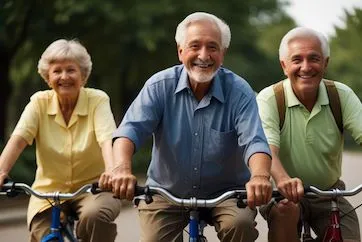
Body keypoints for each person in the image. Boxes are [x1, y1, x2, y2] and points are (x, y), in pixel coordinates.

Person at [111, 12, 272, 242]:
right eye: (195, 46)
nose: (203, 55)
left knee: (240, 225)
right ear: (180, 51)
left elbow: (254, 141)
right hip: (166, 193)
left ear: (222, 54)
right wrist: (121, 170)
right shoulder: (159, 86)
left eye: (212, 47)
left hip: (226, 194)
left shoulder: (239, 90)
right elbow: (129, 131)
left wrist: (259, 176)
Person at [0, 39, 122, 241]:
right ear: (48, 77)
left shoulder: (97, 100)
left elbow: (106, 139)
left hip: (95, 188)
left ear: (83, 75)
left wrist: (112, 171)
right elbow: (18, 139)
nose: (64, 77)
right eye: (57, 71)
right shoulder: (39, 103)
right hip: (48, 192)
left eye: (71, 70)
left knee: (96, 218)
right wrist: (2, 171)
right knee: (43, 233)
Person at [256, 27, 362, 242]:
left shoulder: (340, 95)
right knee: (286, 210)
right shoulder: (271, 98)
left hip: (328, 192)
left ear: (326, 63)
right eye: (297, 60)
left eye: (314, 58)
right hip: (281, 193)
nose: (305, 67)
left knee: (349, 237)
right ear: (284, 66)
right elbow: (267, 149)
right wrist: (283, 180)